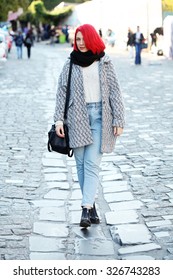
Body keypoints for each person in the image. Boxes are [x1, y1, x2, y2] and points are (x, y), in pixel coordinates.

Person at [54, 24, 125, 228]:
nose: (81, 43)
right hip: (76, 117)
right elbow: (61, 92)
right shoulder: (70, 63)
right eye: (78, 39)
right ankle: (91, 204)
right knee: (81, 164)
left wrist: (118, 120)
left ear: (92, 39)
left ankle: (85, 208)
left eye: (84, 39)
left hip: (100, 117)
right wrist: (59, 120)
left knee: (92, 163)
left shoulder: (105, 62)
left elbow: (115, 92)